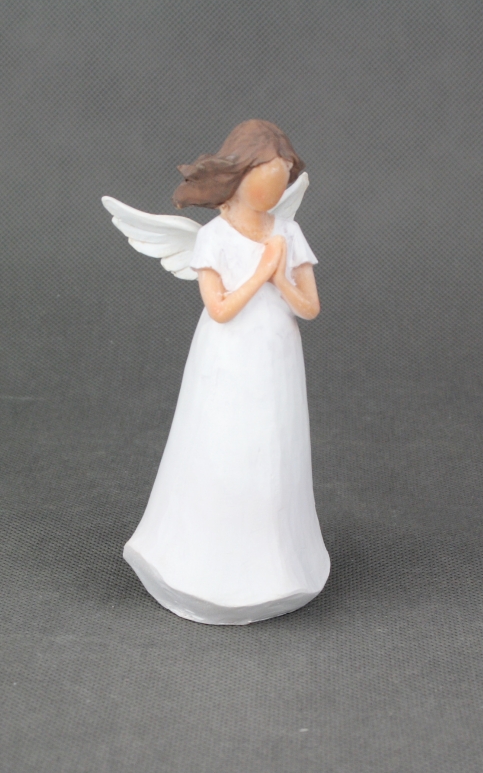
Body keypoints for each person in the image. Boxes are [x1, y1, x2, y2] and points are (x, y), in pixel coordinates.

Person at [121, 120, 330, 624]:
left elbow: (309, 308)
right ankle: (199, 564)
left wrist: (282, 276)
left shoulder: (289, 232)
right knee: (221, 443)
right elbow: (219, 310)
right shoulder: (214, 237)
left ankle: (279, 564)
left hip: (277, 356)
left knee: (272, 448)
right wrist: (264, 271)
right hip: (227, 358)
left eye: (284, 175)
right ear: (240, 174)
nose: (277, 186)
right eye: (268, 173)